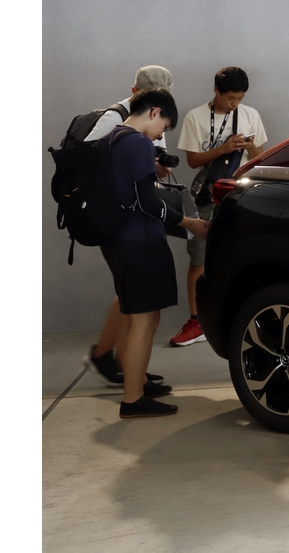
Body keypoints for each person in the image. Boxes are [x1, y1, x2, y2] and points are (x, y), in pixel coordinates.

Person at [101, 88, 210, 418]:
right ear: (154, 112)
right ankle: (133, 400)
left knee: (136, 317)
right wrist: (188, 222)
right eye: (165, 125)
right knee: (145, 321)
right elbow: (147, 203)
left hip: (117, 241)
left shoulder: (112, 138)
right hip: (140, 241)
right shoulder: (137, 142)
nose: (162, 133)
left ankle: (135, 384)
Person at [84, 65, 176, 387]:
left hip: (120, 231)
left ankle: (129, 368)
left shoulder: (123, 126)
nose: (162, 131)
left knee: (131, 305)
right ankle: (128, 382)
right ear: (151, 105)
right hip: (130, 230)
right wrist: (184, 221)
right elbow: (112, 176)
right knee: (139, 312)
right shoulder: (123, 128)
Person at [172, 66, 267, 346]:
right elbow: (192, 161)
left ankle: (241, 315)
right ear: (216, 91)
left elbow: (260, 159)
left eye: (240, 98)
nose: (235, 104)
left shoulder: (250, 115)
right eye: (231, 98)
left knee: (243, 253)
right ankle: (195, 320)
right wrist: (224, 148)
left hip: (241, 194)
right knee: (199, 257)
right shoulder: (196, 117)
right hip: (207, 195)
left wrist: (248, 147)